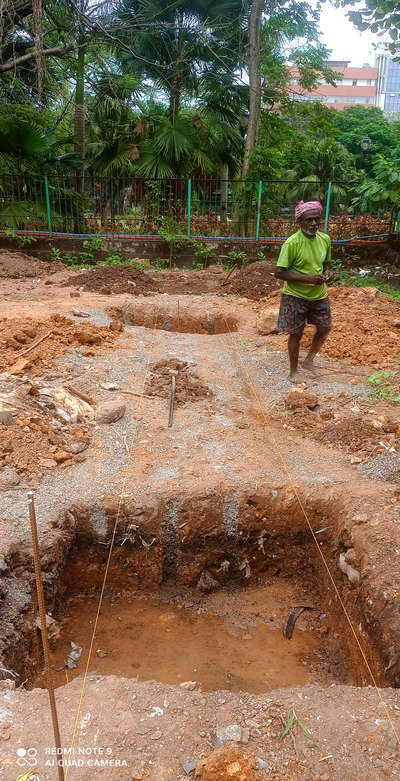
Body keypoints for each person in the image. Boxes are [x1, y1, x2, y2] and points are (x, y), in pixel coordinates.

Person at [274, 200, 332, 383]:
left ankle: (309, 360)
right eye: (309, 220)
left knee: (324, 327)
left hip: (319, 295)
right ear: (300, 222)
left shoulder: (325, 239)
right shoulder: (291, 244)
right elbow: (279, 272)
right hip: (295, 296)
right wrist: (308, 279)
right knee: (296, 334)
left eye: (317, 219)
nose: (314, 223)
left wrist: (328, 273)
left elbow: (326, 264)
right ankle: (293, 371)